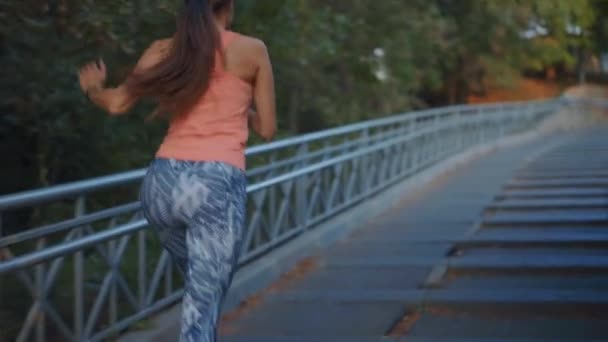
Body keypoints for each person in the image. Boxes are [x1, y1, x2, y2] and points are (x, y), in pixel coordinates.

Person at [77, 0, 276, 340]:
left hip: (162, 185)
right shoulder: (252, 50)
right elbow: (268, 128)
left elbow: (116, 104)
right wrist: (240, 106)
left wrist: (94, 88)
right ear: (227, 5)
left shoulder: (163, 50)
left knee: (200, 286)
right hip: (214, 185)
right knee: (202, 307)